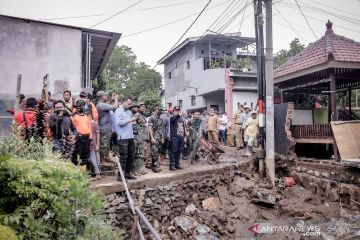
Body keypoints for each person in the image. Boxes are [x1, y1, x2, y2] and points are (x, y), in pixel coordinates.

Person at [114, 98, 137, 180]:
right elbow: (119, 123)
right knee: (124, 156)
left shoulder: (129, 112)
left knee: (131, 155)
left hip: (130, 136)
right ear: (123, 102)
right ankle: (120, 175)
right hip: (122, 137)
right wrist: (131, 120)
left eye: (130, 104)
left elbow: (129, 122)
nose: (130, 105)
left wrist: (133, 121)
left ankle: (127, 173)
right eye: (128, 103)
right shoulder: (118, 111)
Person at [96, 90, 119, 165]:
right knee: (103, 146)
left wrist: (111, 100)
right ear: (101, 97)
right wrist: (116, 99)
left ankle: (106, 158)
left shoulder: (101, 105)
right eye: (105, 95)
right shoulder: (101, 105)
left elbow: (107, 106)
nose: (106, 96)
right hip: (104, 128)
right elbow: (115, 106)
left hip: (106, 128)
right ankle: (102, 162)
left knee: (107, 145)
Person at [71, 99, 92, 165]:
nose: (80, 107)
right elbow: (71, 128)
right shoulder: (73, 116)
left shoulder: (86, 117)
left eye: (81, 106)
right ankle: (76, 171)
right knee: (77, 155)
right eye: (78, 106)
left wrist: (90, 137)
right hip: (78, 139)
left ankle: (83, 172)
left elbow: (89, 127)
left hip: (87, 138)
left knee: (85, 156)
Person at [85, 108, 101, 180]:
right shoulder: (85, 123)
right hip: (85, 144)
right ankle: (89, 173)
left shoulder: (94, 123)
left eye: (86, 116)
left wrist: (97, 144)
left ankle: (97, 173)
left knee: (94, 159)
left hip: (92, 144)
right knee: (87, 159)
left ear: (89, 115)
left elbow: (98, 134)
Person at [169, 106, 186, 171]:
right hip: (174, 137)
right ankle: (172, 165)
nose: (177, 111)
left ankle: (177, 164)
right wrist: (178, 115)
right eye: (176, 110)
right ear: (173, 111)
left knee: (179, 151)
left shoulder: (181, 119)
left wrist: (185, 136)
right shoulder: (172, 117)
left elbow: (183, 127)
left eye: (178, 110)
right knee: (174, 151)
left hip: (181, 137)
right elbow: (173, 118)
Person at [148, 107, 164, 173]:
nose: (160, 111)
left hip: (159, 138)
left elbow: (161, 129)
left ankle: (157, 165)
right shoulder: (151, 118)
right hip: (154, 138)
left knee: (158, 152)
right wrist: (152, 138)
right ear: (155, 111)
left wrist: (162, 137)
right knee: (154, 152)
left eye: (161, 110)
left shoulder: (160, 119)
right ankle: (154, 166)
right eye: (159, 110)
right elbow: (150, 128)